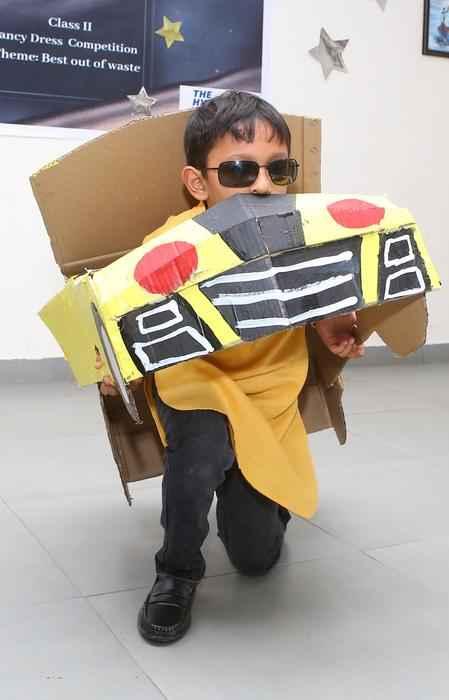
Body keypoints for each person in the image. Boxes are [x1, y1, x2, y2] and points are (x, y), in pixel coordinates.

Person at [97, 91, 364, 645]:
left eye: (277, 170)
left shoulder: (296, 234)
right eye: (241, 171)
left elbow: (315, 295)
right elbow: (129, 319)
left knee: (255, 559)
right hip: (196, 379)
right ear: (198, 183)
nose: (262, 185)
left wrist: (331, 327)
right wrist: (119, 368)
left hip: (267, 390)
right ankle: (176, 571)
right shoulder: (168, 245)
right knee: (200, 453)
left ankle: (256, 495)